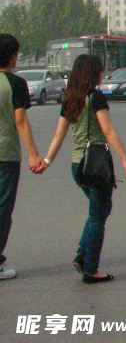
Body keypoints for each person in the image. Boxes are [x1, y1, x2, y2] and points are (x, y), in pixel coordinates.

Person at [40, 54, 126, 284]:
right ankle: (90, 268)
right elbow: (108, 130)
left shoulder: (70, 99)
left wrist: (47, 161)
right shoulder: (96, 98)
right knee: (98, 216)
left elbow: (58, 135)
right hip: (95, 165)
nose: (102, 75)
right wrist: (125, 160)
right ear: (93, 74)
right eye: (100, 71)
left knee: (99, 210)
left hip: (77, 165)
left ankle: (83, 255)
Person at [0, 34, 45, 281]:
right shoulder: (16, 83)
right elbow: (20, 120)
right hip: (5, 155)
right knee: (2, 209)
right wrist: (33, 154)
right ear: (13, 56)